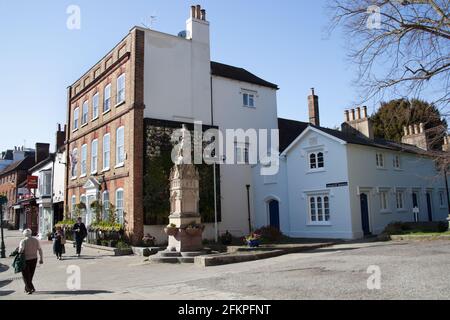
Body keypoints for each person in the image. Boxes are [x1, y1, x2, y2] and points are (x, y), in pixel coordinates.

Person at [18, 229, 44, 295]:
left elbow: (21, 250)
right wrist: (41, 259)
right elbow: (40, 250)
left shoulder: (23, 241)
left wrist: (18, 251)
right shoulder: (36, 240)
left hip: (26, 260)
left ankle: (29, 289)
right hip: (34, 259)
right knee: (30, 275)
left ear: (24, 234)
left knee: (25, 275)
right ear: (30, 233)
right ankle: (27, 288)